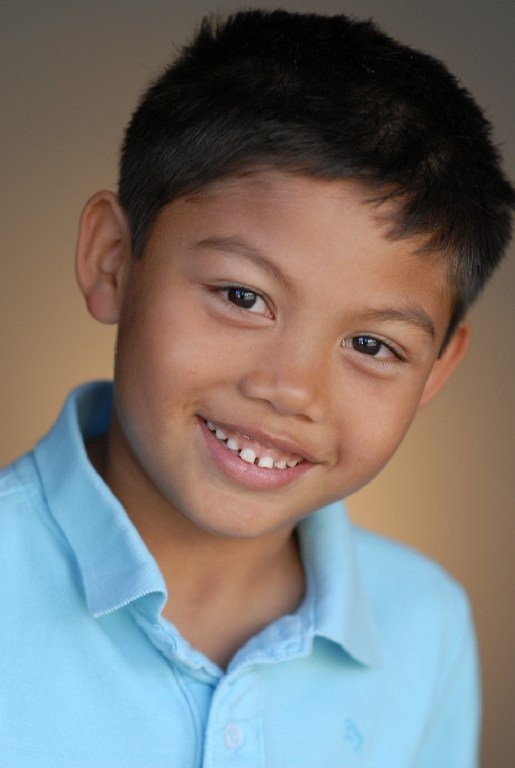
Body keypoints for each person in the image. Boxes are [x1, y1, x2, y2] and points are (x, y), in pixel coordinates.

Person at [1, 9, 513, 768]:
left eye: (371, 345)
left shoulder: (424, 626)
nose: (290, 390)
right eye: (243, 297)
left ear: (435, 369)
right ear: (113, 259)